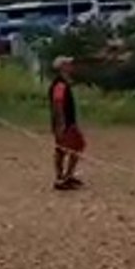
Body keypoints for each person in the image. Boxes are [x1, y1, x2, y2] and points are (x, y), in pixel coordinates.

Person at [48, 56, 86, 190]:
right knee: (65, 149)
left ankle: (66, 176)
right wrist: (61, 124)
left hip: (67, 122)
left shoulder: (64, 82)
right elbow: (58, 103)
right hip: (65, 123)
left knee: (73, 148)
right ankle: (62, 178)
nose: (71, 66)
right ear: (62, 67)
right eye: (68, 64)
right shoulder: (60, 84)